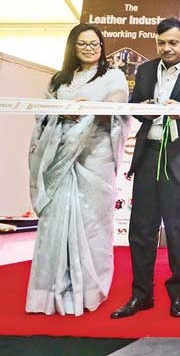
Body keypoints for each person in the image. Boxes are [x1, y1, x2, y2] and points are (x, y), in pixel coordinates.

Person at [110, 18, 180, 319]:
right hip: (148, 155)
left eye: (173, 42)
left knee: (178, 231)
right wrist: (146, 107)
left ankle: (178, 295)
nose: (166, 48)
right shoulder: (145, 69)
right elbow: (136, 107)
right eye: (161, 43)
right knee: (141, 231)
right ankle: (141, 295)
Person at [26, 24, 129, 315]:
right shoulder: (59, 80)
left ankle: (89, 290)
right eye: (82, 44)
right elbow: (41, 112)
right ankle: (50, 292)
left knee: (93, 224)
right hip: (59, 158)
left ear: (102, 46)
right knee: (55, 223)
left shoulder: (112, 75)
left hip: (95, 157)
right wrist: (63, 110)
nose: (89, 48)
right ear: (73, 47)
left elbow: (118, 104)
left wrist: (90, 106)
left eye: (94, 43)